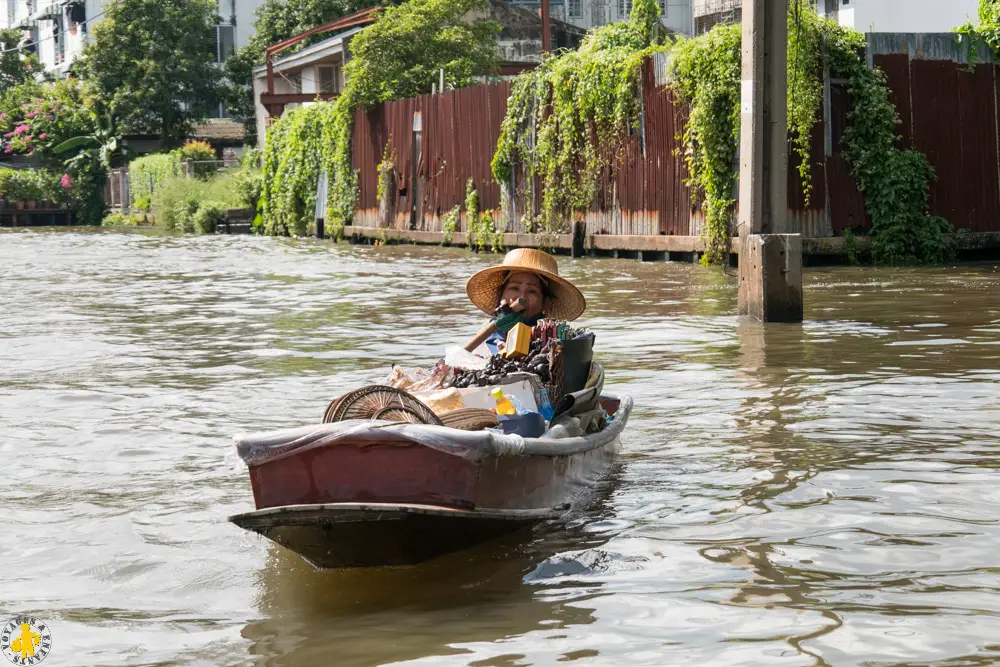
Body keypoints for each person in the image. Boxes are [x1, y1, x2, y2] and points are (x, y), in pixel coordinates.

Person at [465, 248, 586, 355]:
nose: (521, 298)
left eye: (532, 291)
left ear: (546, 302)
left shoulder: (555, 337)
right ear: (500, 295)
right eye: (514, 288)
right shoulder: (487, 333)